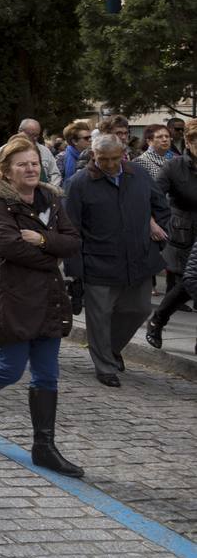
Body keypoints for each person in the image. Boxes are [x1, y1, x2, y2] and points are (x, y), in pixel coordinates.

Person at [0, 136, 83, 476]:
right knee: (10, 369)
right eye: (22, 164)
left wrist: (42, 240)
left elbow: (72, 241)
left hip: (49, 294)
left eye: (34, 163)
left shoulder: (51, 198)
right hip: (13, 293)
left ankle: (44, 446)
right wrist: (50, 256)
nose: (30, 168)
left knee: (47, 373)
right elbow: (9, 245)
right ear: (6, 170)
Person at [64, 134, 169, 387]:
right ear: (93, 156)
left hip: (139, 259)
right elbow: (71, 228)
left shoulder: (138, 175)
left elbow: (161, 207)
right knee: (99, 317)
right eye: (103, 159)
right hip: (98, 262)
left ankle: (110, 349)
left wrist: (160, 235)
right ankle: (105, 366)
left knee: (140, 308)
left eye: (114, 158)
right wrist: (75, 269)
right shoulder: (79, 183)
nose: (110, 165)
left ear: (123, 154)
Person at [149, 122, 197, 352]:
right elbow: (155, 197)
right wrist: (155, 224)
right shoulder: (173, 166)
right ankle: (158, 320)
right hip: (183, 233)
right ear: (189, 143)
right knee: (187, 284)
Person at [18, 118, 63, 186]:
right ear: (20, 132)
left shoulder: (45, 151)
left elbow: (55, 174)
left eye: (36, 135)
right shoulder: (6, 150)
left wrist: (50, 191)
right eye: (31, 135)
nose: (35, 138)